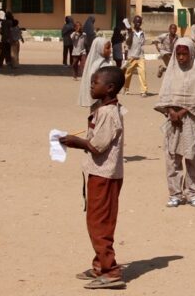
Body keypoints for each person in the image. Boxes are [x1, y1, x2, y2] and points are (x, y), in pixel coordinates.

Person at [59, 66, 127, 289]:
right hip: (99, 173)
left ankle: (111, 271)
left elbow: (97, 146)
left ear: (109, 88)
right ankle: (100, 264)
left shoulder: (108, 113)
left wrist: (75, 142)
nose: (90, 86)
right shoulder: (103, 108)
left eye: (94, 83)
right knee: (98, 220)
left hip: (105, 175)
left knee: (100, 223)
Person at [155, 38, 195, 208]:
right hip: (172, 121)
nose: (181, 57)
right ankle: (175, 193)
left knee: (191, 157)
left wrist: (183, 111)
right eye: (179, 54)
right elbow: (164, 96)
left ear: (191, 55)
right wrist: (171, 111)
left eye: (185, 54)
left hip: (190, 120)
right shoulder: (171, 73)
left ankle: (191, 192)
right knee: (172, 158)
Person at [79, 38, 114, 107]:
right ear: (99, 49)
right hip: (100, 100)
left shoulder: (108, 62)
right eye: (107, 48)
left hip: (109, 97)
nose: (110, 50)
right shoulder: (97, 65)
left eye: (110, 47)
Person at [123, 16, 148, 97]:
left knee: (142, 73)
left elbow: (142, 43)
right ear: (133, 22)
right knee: (128, 73)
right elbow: (128, 43)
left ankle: (143, 91)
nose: (138, 23)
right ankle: (126, 89)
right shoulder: (129, 31)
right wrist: (130, 34)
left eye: (140, 22)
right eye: (137, 22)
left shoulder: (142, 32)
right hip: (131, 57)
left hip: (140, 56)